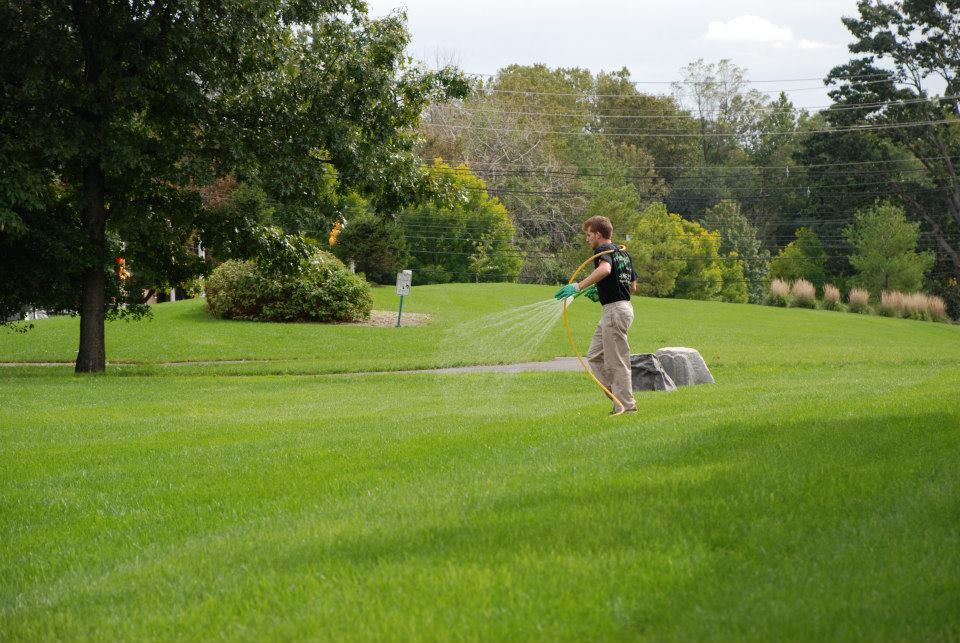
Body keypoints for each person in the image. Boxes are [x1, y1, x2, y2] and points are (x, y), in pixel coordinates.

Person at [555, 216, 638, 414]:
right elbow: (632, 286)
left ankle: (627, 406)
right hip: (619, 308)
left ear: (598, 235)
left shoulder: (603, 250)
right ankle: (614, 393)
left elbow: (605, 269)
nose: (587, 239)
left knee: (617, 360)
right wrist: (601, 290)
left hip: (614, 311)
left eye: (589, 235)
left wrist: (578, 286)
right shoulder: (623, 254)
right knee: (594, 355)